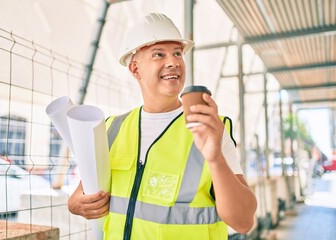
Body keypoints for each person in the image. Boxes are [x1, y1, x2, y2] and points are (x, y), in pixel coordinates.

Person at [68, 12, 257, 239]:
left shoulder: (209, 127)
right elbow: (83, 192)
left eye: (178, 53)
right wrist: (75, 204)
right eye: (159, 54)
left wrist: (215, 158)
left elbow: (244, 221)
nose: (173, 62)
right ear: (136, 69)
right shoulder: (112, 128)